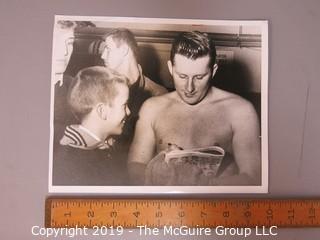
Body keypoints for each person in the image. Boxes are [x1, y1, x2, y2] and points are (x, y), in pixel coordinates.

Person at [128, 31, 261, 186]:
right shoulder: (152, 108)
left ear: (214, 70)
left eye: (199, 77)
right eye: (182, 76)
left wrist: (203, 185)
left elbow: (254, 177)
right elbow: (134, 167)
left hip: (216, 206)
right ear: (171, 68)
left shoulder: (240, 111)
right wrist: (161, 175)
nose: (189, 88)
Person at [100, 28, 168, 173]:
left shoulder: (159, 95)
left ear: (124, 50)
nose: (103, 55)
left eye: (107, 49)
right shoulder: (100, 87)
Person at [52, 66, 130, 185]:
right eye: (124, 105)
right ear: (102, 111)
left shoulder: (97, 146)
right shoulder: (76, 162)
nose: (129, 112)